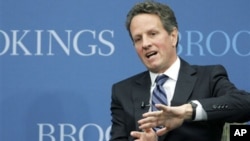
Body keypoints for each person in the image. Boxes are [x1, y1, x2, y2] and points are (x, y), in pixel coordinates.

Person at [110, 1, 250, 141]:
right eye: (138, 39)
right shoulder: (122, 91)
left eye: (152, 34)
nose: (145, 44)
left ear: (173, 36)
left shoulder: (208, 77)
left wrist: (188, 111)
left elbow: (244, 104)